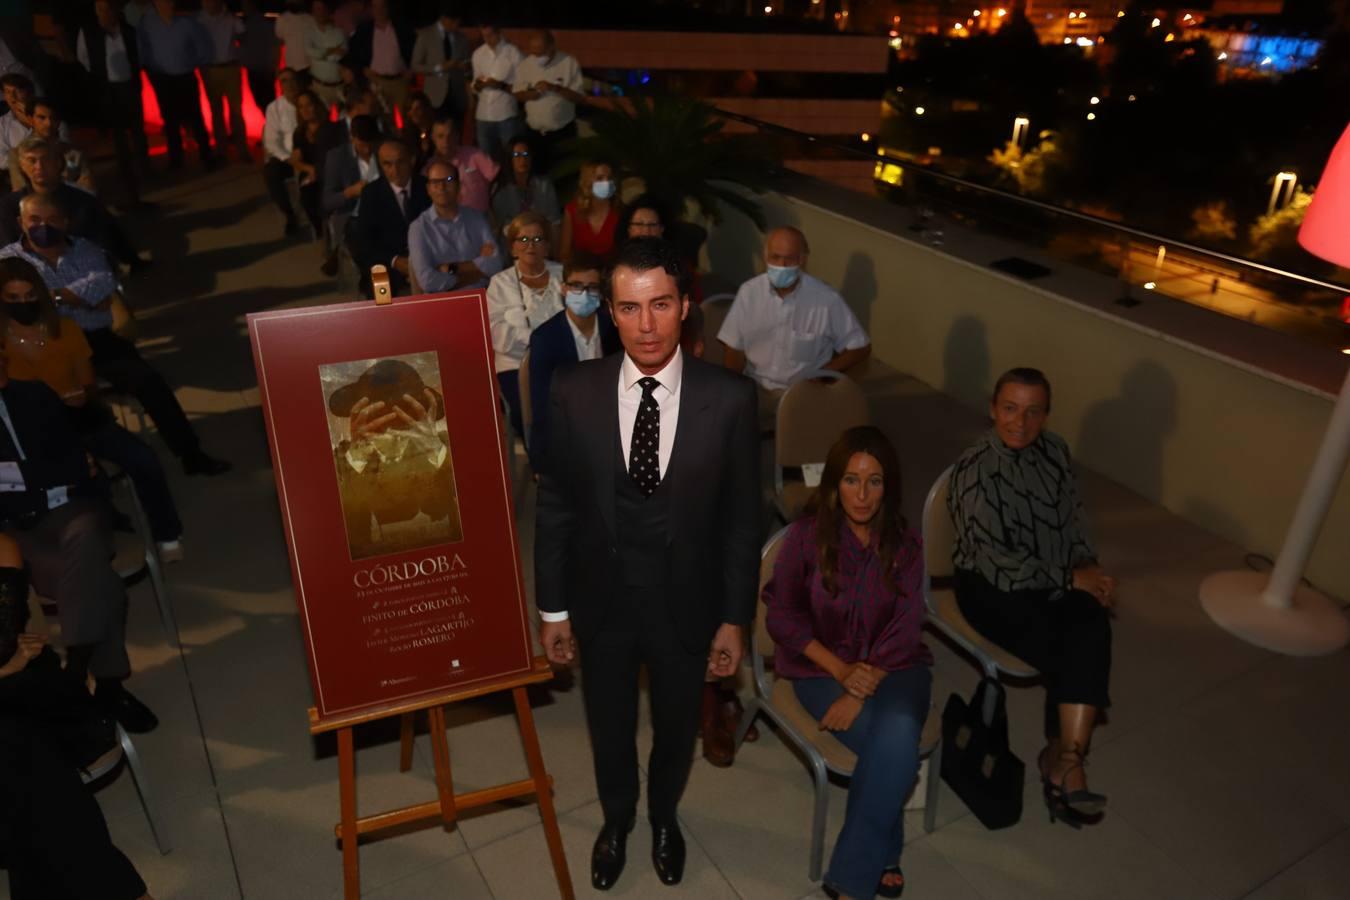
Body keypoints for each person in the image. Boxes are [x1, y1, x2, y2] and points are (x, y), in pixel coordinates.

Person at [535, 238, 759, 891]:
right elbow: (555, 506)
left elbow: (744, 520)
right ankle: (617, 821)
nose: (647, 324)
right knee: (608, 730)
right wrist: (552, 607)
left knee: (673, 728)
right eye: (630, 308)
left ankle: (663, 818)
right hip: (601, 604)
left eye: (661, 304)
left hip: (685, 605)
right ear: (610, 310)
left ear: (686, 306)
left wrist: (734, 618)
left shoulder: (731, 399)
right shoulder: (573, 390)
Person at [765, 426, 931, 900]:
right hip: (818, 670)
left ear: (888, 486)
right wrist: (842, 674)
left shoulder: (908, 545)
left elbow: (906, 625)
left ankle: (849, 882)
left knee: (893, 729)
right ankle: (887, 851)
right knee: (897, 739)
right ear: (835, 483)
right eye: (852, 480)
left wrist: (862, 684)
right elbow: (783, 617)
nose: (862, 494)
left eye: (874, 481)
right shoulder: (804, 537)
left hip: (898, 668)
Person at [948, 367, 1113, 828]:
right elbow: (997, 563)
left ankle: (1068, 757)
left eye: (1032, 411)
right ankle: (1061, 760)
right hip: (990, 588)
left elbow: (1075, 519)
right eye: (1010, 409)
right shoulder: (976, 468)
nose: (1020, 422)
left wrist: (1088, 566)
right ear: (993, 409)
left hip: (1049, 581)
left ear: (1046, 415)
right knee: (1078, 641)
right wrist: (1068, 578)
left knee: (1090, 621)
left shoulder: (1055, 452)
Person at [0, 193, 231, 478]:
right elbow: (22, 307)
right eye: (34, 219)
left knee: (150, 383)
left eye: (52, 219)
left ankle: (191, 455)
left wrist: (50, 297)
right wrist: (79, 297)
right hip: (42, 344)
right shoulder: (8, 260)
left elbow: (103, 283)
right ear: (20, 222)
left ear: (66, 222)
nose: (43, 226)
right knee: (37, 402)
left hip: (96, 339)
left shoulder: (87, 250)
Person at [0, 343, 156, 734]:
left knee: (85, 543)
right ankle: (106, 685)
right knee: (99, 582)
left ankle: (76, 669)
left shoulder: (34, 394)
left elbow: (78, 462)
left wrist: (20, 476)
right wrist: (44, 473)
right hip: (18, 530)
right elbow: (60, 467)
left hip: (74, 509)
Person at [0, 538, 153, 900]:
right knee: (24, 770)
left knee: (21, 757)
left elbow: (4, 647)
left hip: (27, 695)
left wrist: (6, 668)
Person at [0, 258, 183, 556]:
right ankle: (106, 528)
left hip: (80, 418)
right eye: (14, 298)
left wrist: (81, 395)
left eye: (30, 296)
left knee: (143, 459)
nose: (24, 303)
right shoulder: (1, 346)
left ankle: (167, 532)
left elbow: (87, 383)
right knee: (83, 477)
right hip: (34, 434)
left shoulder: (67, 329)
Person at [718, 226, 870, 427]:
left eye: (789, 259)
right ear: (765, 257)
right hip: (755, 387)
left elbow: (860, 347)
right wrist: (732, 389)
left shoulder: (826, 299)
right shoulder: (750, 293)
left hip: (803, 394)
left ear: (802, 260)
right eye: (775, 257)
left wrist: (824, 373)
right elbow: (733, 348)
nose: (781, 265)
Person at [525, 253, 619, 472]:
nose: (584, 294)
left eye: (592, 287)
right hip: (567, 434)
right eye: (576, 286)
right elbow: (543, 408)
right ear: (564, 289)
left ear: (602, 293)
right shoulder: (545, 339)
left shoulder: (615, 330)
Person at [1, 137, 144, 271]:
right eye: (32, 161)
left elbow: (104, 244)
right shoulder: (10, 206)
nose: (39, 166)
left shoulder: (84, 202)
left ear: (58, 163)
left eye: (45, 159)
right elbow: (9, 251)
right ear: (22, 166)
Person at [483, 210, 553, 440]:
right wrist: (537, 338)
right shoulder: (499, 283)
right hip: (516, 365)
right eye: (522, 239)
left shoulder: (564, 276)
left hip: (563, 362)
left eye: (537, 238)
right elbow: (496, 333)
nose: (530, 245)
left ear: (547, 245)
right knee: (533, 412)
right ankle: (541, 464)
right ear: (512, 247)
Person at [76, 0, 149, 203]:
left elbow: (139, 55)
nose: (104, 13)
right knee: (118, 132)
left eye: (107, 8)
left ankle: (144, 168)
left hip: (129, 86)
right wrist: (100, 74)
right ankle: (125, 170)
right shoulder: (88, 32)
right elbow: (83, 58)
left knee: (137, 129)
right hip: (108, 88)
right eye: (99, 9)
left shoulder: (129, 31)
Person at [138, 0, 216, 171]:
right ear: (156, 4)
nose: (168, 5)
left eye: (170, 2)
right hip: (162, 80)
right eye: (163, 2)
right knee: (170, 121)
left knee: (196, 118)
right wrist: (147, 68)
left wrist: (194, 63)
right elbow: (142, 49)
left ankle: (206, 155)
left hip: (185, 77)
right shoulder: (147, 24)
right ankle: (176, 159)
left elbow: (203, 47)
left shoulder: (187, 23)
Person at [352, 138, 429, 297]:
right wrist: (395, 260)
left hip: (428, 261)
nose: (395, 170)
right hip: (388, 265)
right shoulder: (371, 194)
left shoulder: (428, 187)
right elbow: (364, 243)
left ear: (412, 161)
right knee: (380, 287)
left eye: (400, 162)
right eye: (387, 164)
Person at [512, 29, 584, 173]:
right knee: (536, 176)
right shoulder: (526, 64)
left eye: (540, 51)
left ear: (551, 46)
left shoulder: (569, 63)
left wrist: (555, 88)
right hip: (534, 134)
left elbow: (579, 97)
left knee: (564, 177)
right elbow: (517, 93)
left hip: (562, 133)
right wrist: (529, 95)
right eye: (533, 51)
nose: (536, 55)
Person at [321, 113, 379, 274]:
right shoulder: (337, 157)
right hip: (353, 216)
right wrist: (350, 192)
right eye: (362, 145)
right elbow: (328, 201)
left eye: (370, 144)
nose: (367, 150)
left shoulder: (383, 152)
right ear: (352, 138)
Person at [197, 0, 250, 163]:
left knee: (236, 111)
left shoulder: (230, 18)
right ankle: (221, 150)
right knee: (216, 112)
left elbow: (244, 32)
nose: (209, 4)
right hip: (210, 69)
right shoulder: (198, 20)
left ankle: (242, 150)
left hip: (231, 68)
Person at [349, 0, 413, 131]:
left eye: (382, 6)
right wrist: (362, 69)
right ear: (371, 9)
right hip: (376, 82)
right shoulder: (364, 30)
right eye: (375, 6)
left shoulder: (401, 27)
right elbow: (352, 52)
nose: (379, 10)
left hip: (399, 82)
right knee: (376, 118)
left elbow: (413, 49)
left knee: (401, 121)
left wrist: (411, 68)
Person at [7, 99, 91, 194]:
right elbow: (21, 191)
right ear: (30, 119)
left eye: (54, 118)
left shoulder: (74, 153)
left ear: (59, 122)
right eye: (42, 118)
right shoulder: (16, 154)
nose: (49, 123)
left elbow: (88, 189)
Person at [261, 68, 304, 236]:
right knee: (271, 172)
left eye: (292, 79)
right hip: (286, 158)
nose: (289, 84)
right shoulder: (274, 108)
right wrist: (289, 159)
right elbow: (271, 142)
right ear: (280, 85)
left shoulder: (309, 101)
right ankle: (290, 215)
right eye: (284, 81)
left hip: (308, 154)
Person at [470, 24, 523, 160]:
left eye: (490, 35)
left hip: (506, 113)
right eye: (484, 36)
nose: (487, 39)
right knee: (486, 159)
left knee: (511, 156)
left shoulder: (513, 53)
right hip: (483, 115)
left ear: (499, 32)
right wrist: (477, 86)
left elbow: (522, 84)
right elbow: (474, 83)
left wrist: (501, 85)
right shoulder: (478, 54)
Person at [424, 114, 496, 214]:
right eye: (440, 136)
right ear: (433, 138)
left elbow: (498, 179)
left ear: (457, 136)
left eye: (450, 136)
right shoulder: (429, 168)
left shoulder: (474, 155)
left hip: (481, 218)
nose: (446, 141)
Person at [411, 4, 471, 122]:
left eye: (458, 23)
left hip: (457, 97)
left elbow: (468, 64)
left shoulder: (462, 38)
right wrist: (439, 67)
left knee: (456, 131)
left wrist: (463, 66)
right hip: (434, 97)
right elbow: (415, 65)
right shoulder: (426, 35)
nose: (456, 26)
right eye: (454, 22)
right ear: (444, 19)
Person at [491, 136, 560, 231]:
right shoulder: (501, 189)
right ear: (509, 158)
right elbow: (502, 225)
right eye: (517, 155)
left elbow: (554, 220)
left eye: (526, 154)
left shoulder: (544, 185)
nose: (523, 159)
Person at [559, 160, 620, 264]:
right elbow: (565, 254)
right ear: (588, 181)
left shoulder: (620, 211)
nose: (606, 182)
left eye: (609, 178)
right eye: (600, 178)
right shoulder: (572, 211)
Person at [289, 89, 330, 240]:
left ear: (316, 106)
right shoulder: (299, 133)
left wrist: (319, 171)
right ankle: (320, 230)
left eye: (309, 105)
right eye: (301, 107)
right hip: (311, 172)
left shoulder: (329, 128)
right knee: (308, 193)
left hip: (329, 169)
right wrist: (310, 169)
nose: (305, 110)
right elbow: (296, 160)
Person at [306, 0, 348, 110]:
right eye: (317, 9)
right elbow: (312, 53)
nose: (319, 12)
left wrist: (322, 53)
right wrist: (332, 50)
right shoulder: (309, 33)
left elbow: (339, 55)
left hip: (339, 88)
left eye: (322, 9)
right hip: (319, 88)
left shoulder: (339, 32)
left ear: (328, 11)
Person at [239, 0, 279, 113]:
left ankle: (274, 127)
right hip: (264, 69)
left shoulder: (245, 25)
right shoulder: (267, 23)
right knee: (269, 103)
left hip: (259, 69)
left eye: (245, 6)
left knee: (265, 103)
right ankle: (274, 127)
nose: (243, 8)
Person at [274, 0, 315, 73]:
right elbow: (278, 45)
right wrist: (277, 66)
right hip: (290, 67)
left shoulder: (311, 19)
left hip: (309, 67)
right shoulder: (282, 19)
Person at [400, 91, 436, 169]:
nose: (413, 113)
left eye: (417, 108)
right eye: (410, 109)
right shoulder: (407, 135)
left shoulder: (436, 129)